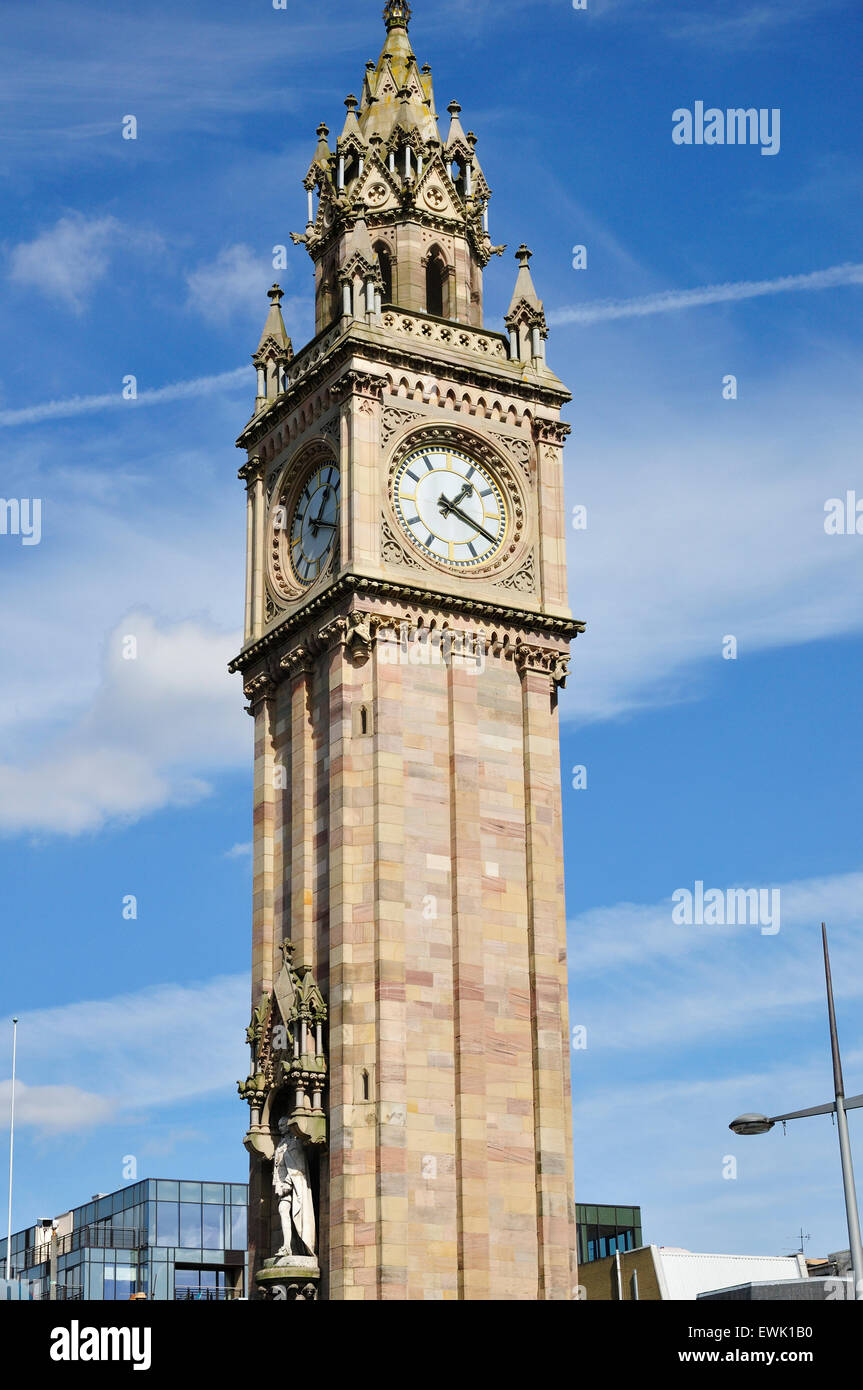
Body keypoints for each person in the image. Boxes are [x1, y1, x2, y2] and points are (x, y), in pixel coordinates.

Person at [273, 1118, 316, 1258]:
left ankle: (290, 1247)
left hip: (292, 1185)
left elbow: (296, 1167)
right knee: (283, 1211)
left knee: (291, 1213)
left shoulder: (294, 1142)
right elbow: (278, 1167)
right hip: (282, 1186)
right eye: (278, 1125)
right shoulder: (280, 1144)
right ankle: (288, 1246)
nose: (280, 1128)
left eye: (283, 1125)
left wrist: (287, 1184)